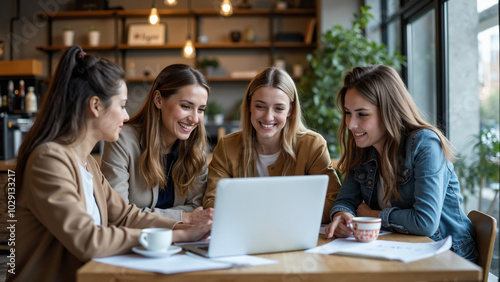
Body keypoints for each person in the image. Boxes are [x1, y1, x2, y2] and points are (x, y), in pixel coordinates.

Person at [8, 47, 211, 282]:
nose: (126, 116)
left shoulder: (87, 165)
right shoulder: (49, 160)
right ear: (96, 106)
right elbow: (88, 239)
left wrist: (184, 228)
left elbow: (125, 216)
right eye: (122, 105)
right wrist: (175, 237)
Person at [325, 65, 477, 262]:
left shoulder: (425, 144)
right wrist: (342, 215)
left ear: (390, 111)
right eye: (347, 112)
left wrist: (373, 214)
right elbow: (346, 200)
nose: (351, 124)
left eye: (362, 114)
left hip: (447, 258)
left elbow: (425, 222)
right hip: (397, 252)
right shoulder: (364, 147)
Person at [203, 67, 341, 223]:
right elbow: (211, 201)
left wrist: (270, 215)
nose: (268, 117)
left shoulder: (312, 145)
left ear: (290, 110)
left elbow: (333, 201)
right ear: (249, 106)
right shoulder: (227, 146)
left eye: (279, 108)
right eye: (260, 106)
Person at [100, 64, 213, 225]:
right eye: (186, 106)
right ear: (158, 100)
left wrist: (140, 213)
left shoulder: (196, 150)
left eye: (201, 109)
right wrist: (184, 217)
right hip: (135, 243)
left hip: (185, 243)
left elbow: (197, 208)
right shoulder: (122, 141)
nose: (195, 118)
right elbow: (117, 214)